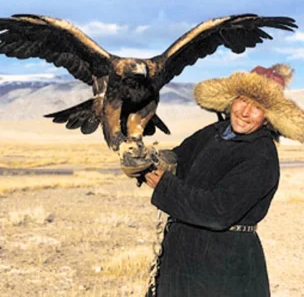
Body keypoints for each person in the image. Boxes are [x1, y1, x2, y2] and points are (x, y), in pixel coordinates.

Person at [120, 63, 304, 297]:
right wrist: (148, 160)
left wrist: (164, 185)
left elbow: (217, 211)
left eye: (257, 107)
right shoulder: (215, 131)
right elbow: (179, 158)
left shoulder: (261, 156)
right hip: (182, 257)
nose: (245, 112)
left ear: (268, 118)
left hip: (224, 266)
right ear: (232, 100)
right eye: (242, 100)